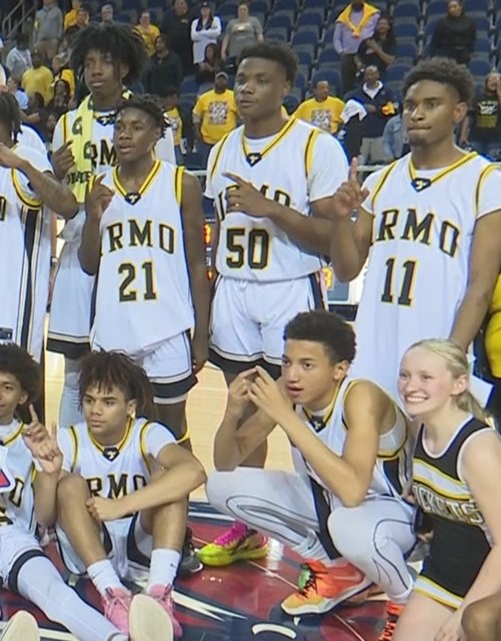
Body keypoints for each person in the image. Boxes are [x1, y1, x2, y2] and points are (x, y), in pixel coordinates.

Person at [198, 42, 349, 567]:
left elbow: (333, 237)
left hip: (289, 288)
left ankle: (329, 525)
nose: (246, 88)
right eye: (241, 78)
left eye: (260, 80)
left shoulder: (314, 146)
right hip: (235, 290)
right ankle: (250, 525)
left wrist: (273, 211)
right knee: (242, 408)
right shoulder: (220, 150)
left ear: (286, 88)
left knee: (302, 409)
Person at [0, 343, 168, 641]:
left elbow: (43, 517)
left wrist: (50, 474)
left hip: (14, 537)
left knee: (57, 594)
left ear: (23, 395)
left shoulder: (33, 442)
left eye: (6, 387)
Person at [205, 311, 413, 637]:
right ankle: (336, 569)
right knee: (219, 487)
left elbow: (354, 491)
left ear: (339, 369)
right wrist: (231, 414)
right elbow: (226, 463)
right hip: (331, 503)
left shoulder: (361, 397)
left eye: (307, 365)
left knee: (347, 524)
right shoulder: (287, 393)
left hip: (394, 513)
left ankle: (405, 602)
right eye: (286, 362)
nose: (291, 375)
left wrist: (287, 420)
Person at [329, 58, 501, 400]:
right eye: (410, 105)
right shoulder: (379, 181)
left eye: (431, 104)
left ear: (458, 112)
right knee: (369, 453)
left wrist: (450, 357)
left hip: (437, 349)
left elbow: (479, 288)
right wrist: (339, 218)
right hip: (374, 349)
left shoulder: (486, 181)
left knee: (430, 453)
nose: (416, 114)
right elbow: (346, 270)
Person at [49, 24, 176, 428]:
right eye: (88, 63)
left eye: (105, 61)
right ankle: (71, 461)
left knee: (132, 371)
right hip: (78, 252)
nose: (95, 70)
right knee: (76, 373)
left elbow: (167, 191)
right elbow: (62, 200)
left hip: (132, 254)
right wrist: (53, 173)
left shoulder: (148, 121)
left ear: (124, 66)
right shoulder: (67, 124)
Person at [80, 95, 208, 445]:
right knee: (116, 433)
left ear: (156, 135)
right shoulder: (100, 186)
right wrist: (93, 217)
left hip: (166, 327)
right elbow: (89, 263)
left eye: (136, 128)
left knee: (170, 430)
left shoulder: (182, 183)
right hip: (114, 327)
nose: (124, 135)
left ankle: (175, 500)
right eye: (119, 127)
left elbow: (197, 264)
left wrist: (201, 334)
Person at [50, 350, 206, 637]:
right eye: (89, 400)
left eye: (108, 402)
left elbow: (194, 472)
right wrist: (49, 474)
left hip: (141, 544)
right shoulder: (68, 437)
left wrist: (121, 505)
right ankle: (112, 593)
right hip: (93, 549)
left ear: (130, 406)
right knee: (69, 485)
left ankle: (159, 593)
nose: (96, 410)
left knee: (171, 480)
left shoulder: (148, 432)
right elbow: (46, 516)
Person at [0, 92, 77, 403]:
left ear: (11, 126)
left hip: (10, 306)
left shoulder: (26, 158)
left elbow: (67, 205)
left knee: (11, 396)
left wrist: (21, 163)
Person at [390, 340, 501, 641]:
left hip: (491, 584)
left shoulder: (478, 448)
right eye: (405, 375)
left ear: (459, 384)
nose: (411, 385)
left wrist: (463, 612)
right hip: (445, 574)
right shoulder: (420, 428)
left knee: (476, 622)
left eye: (426, 377)